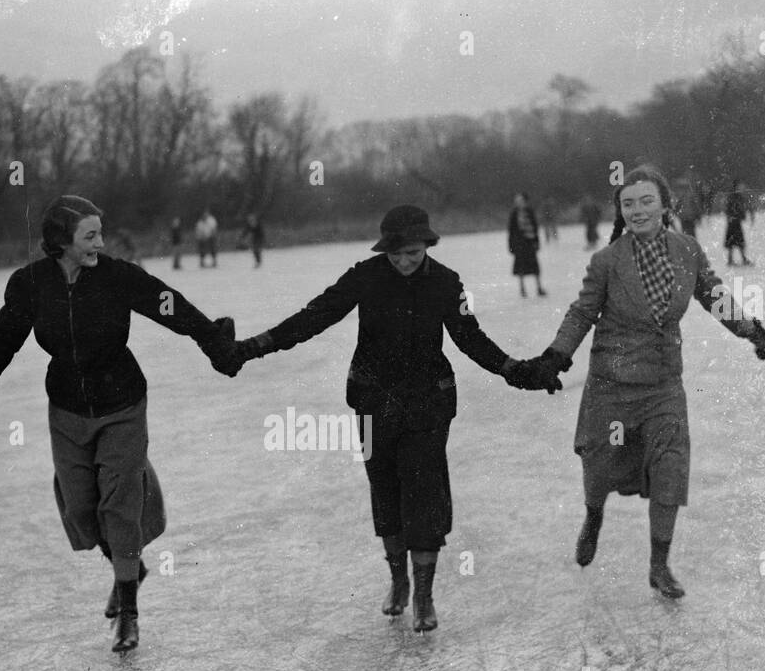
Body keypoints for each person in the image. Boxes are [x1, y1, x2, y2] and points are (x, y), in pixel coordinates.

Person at [230, 205, 562, 633]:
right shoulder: (364, 276)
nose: (404, 261)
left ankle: (424, 593)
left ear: (427, 243)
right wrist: (254, 346)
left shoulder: (446, 283)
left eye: (412, 252)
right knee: (385, 491)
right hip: (373, 401)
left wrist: (515, 371)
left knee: (423, 495)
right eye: (396, 253)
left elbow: (469, 337)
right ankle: (398, 579)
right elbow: (314, 317)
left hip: (427, 402)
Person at [0, 196, 240, 653]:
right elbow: (1, 341)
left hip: (122, 401)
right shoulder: (30, 285)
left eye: (101, 233)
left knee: (120, 502)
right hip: (66, 406)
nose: (100, 244)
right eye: (90, 235)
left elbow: (169, 304)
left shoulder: (117, 277)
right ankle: (128, 564)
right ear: (61, 241)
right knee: (81, 508)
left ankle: (128, 613)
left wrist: (212, 339)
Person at [523, 166, 765, 599]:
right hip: (613, 383)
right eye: (629, 204)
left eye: (646, 201)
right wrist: (555, 356)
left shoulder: (688, 251)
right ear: (620, 211)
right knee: (600, 463)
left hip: (663, 383)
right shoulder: (607, 261)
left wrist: (753, 331)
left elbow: (715, 297)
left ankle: (659, 565)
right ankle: (594, 516)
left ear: (665, 204)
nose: (638, 210)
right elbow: (582, 312)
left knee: (670, 467)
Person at [508, 192, 546, 298]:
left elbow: (535, 227)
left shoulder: (529, 212)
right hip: (519, 244)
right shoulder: (514, 213)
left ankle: (539, 287)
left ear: (525, 201)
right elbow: (511, 231)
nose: (518, 203)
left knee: (535, 267)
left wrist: (537, 242)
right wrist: (510, 245)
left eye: (520, 200)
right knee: (520, 268)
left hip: (529, 242)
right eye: (516, 201)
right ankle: (522, 289)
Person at [724, 179, 754, 266]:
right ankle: (736, 259)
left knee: (735, 242)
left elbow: (744, 207)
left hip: (735, 222)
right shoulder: (733, 197)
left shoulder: (738, 196)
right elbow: (730, 209)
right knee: (735, 241)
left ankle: (738, 259)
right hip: (733, 222)